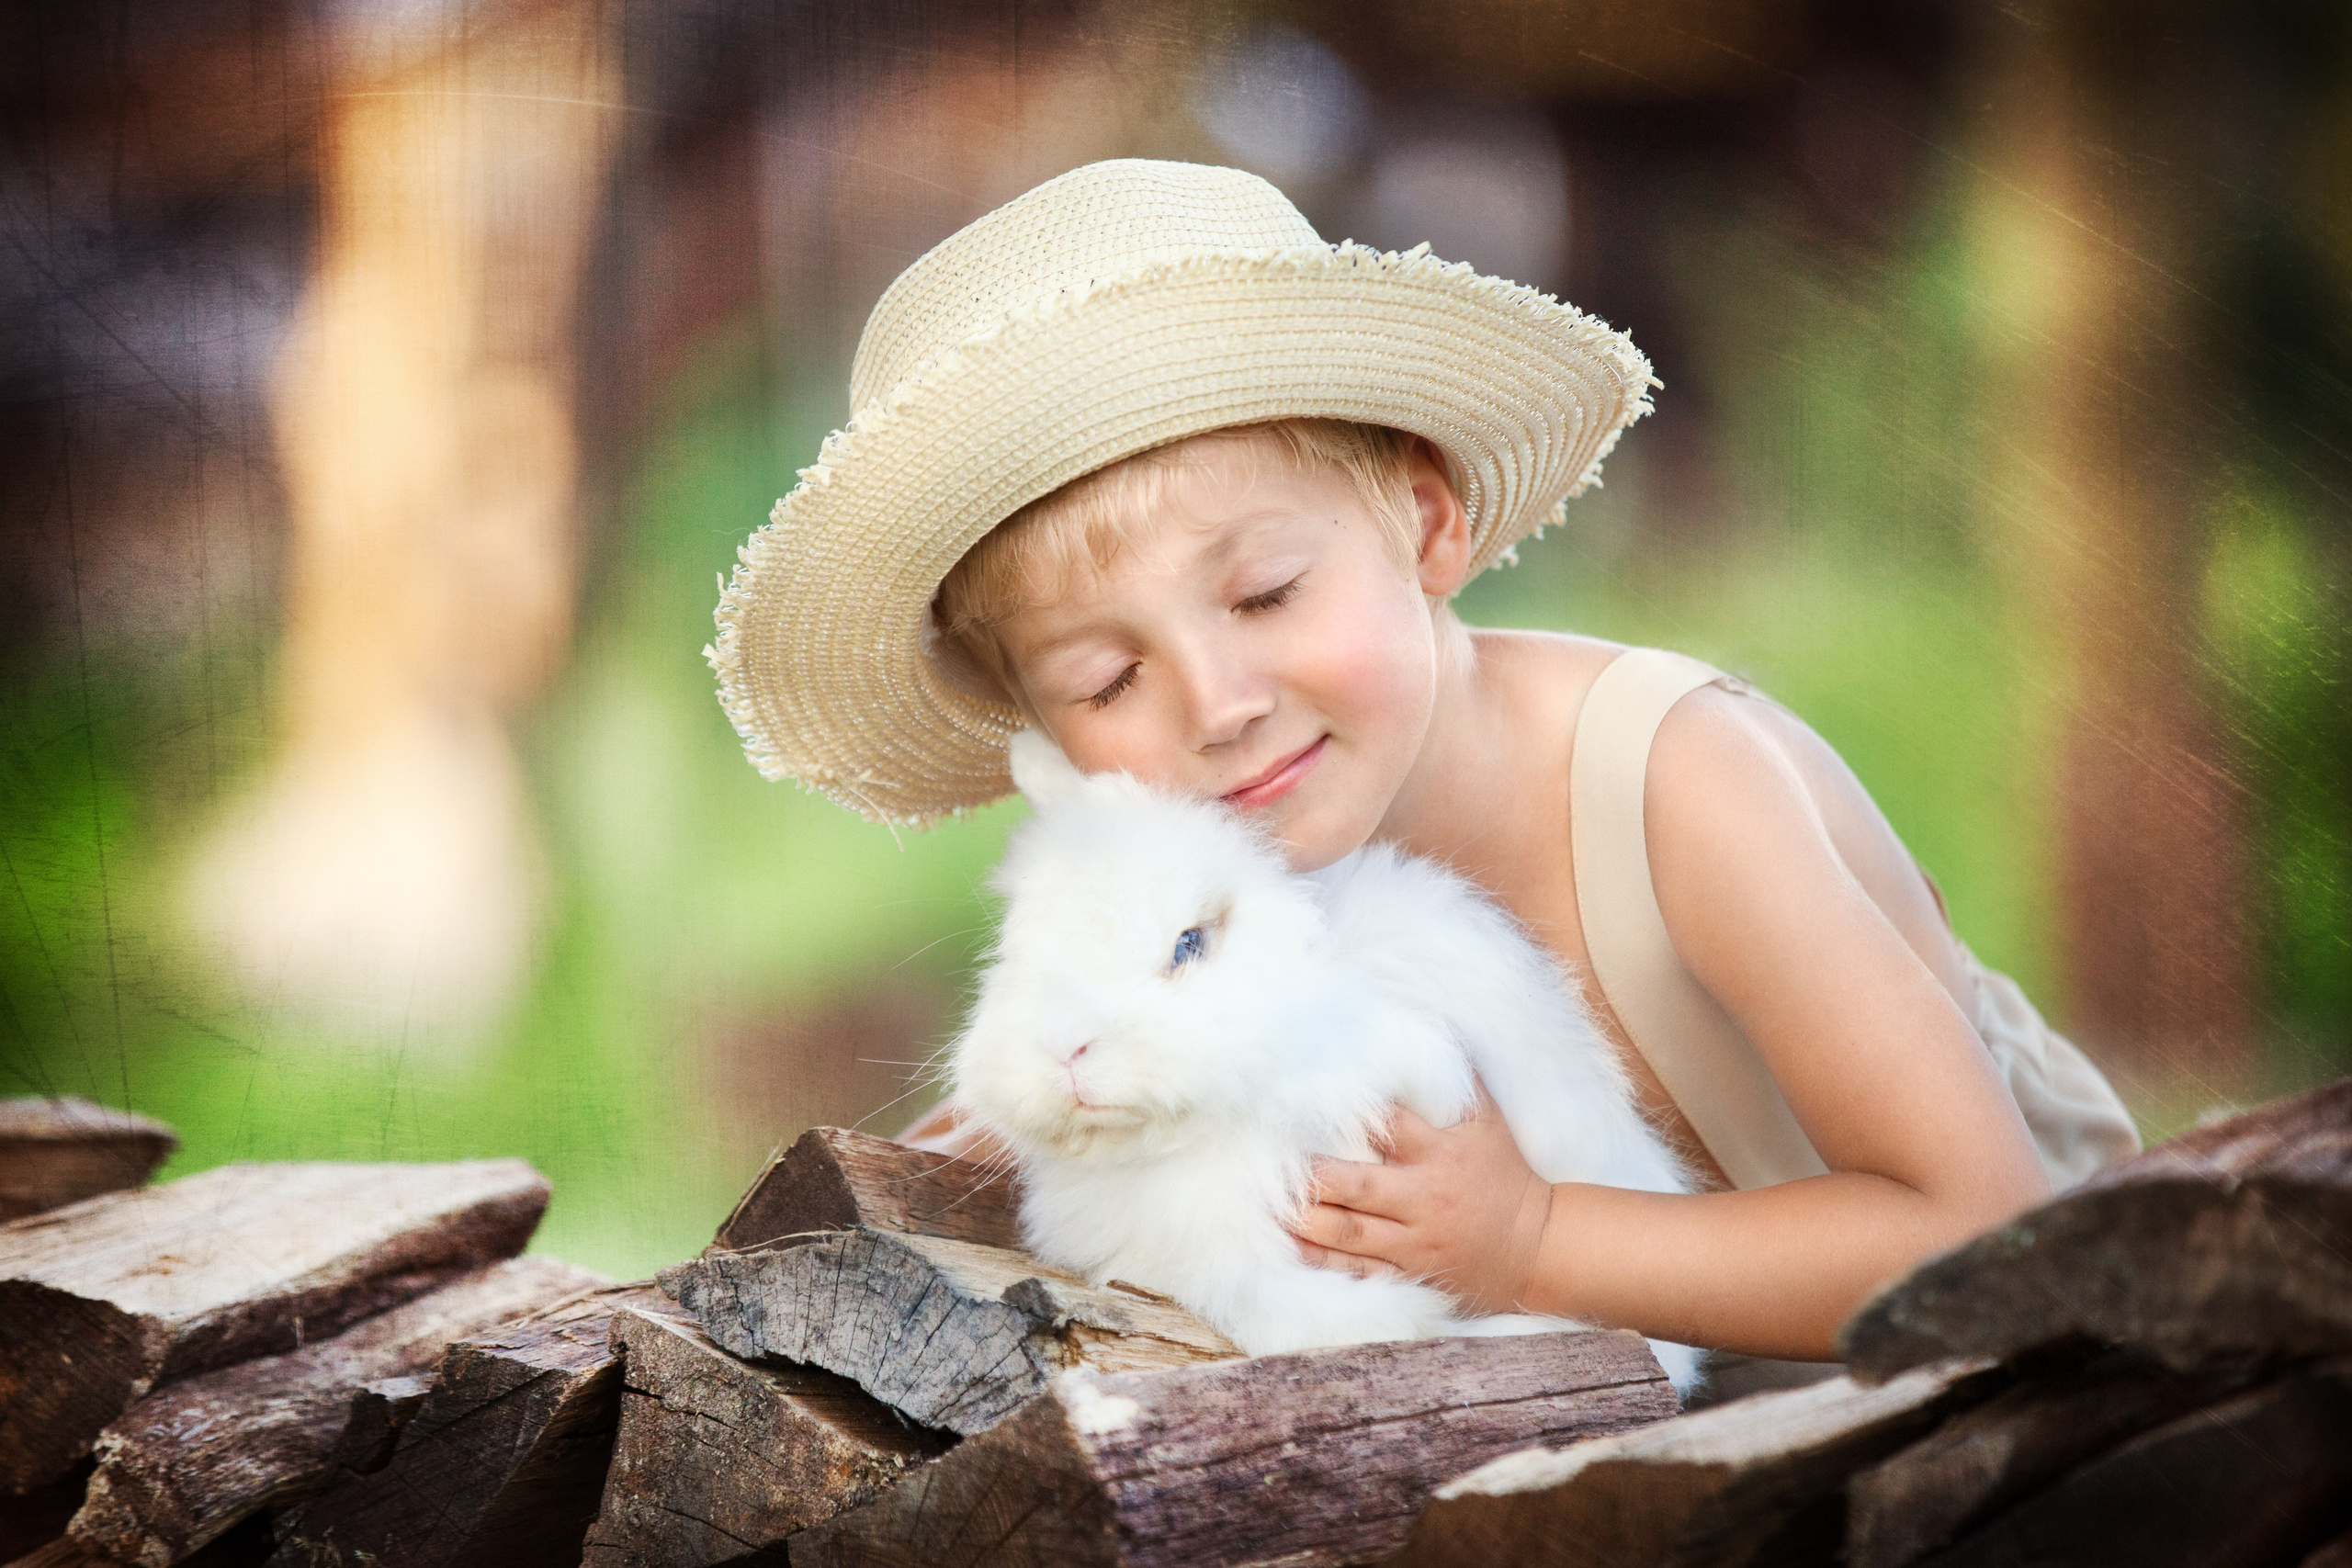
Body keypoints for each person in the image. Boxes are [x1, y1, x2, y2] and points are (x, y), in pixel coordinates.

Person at [709, 159, 2140, 1366]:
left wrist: (1535, 1240)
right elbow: (1027, 1130)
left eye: (1267, 594)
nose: (1215, 705)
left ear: (1428, 517)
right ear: (1047, 733)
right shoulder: (1203, 897)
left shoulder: (1675, 786)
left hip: (2063, 1379)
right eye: (1108, 676)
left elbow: (1989, 1243)